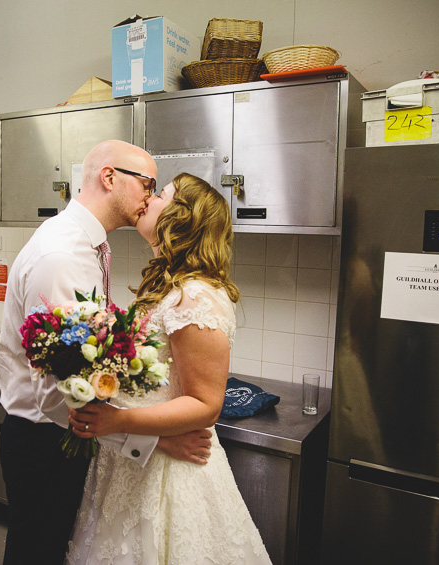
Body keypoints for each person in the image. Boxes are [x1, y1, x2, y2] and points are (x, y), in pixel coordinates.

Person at [0, 141, 214, 565]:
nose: (151, 198)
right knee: (35, 552)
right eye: (147, 185)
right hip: (46, 441)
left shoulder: (85, 243)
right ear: (110, 177)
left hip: (62, 435)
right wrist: (151, 440)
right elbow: (58, 394)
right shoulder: (63, 255)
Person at [66, 173, 271, 564]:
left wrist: (116, 421)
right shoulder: (168, 287)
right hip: (136, 463)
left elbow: (205, 404)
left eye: (160, 194)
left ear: (182, 217)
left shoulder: (194, 296)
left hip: (169, 480)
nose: (148, 198)